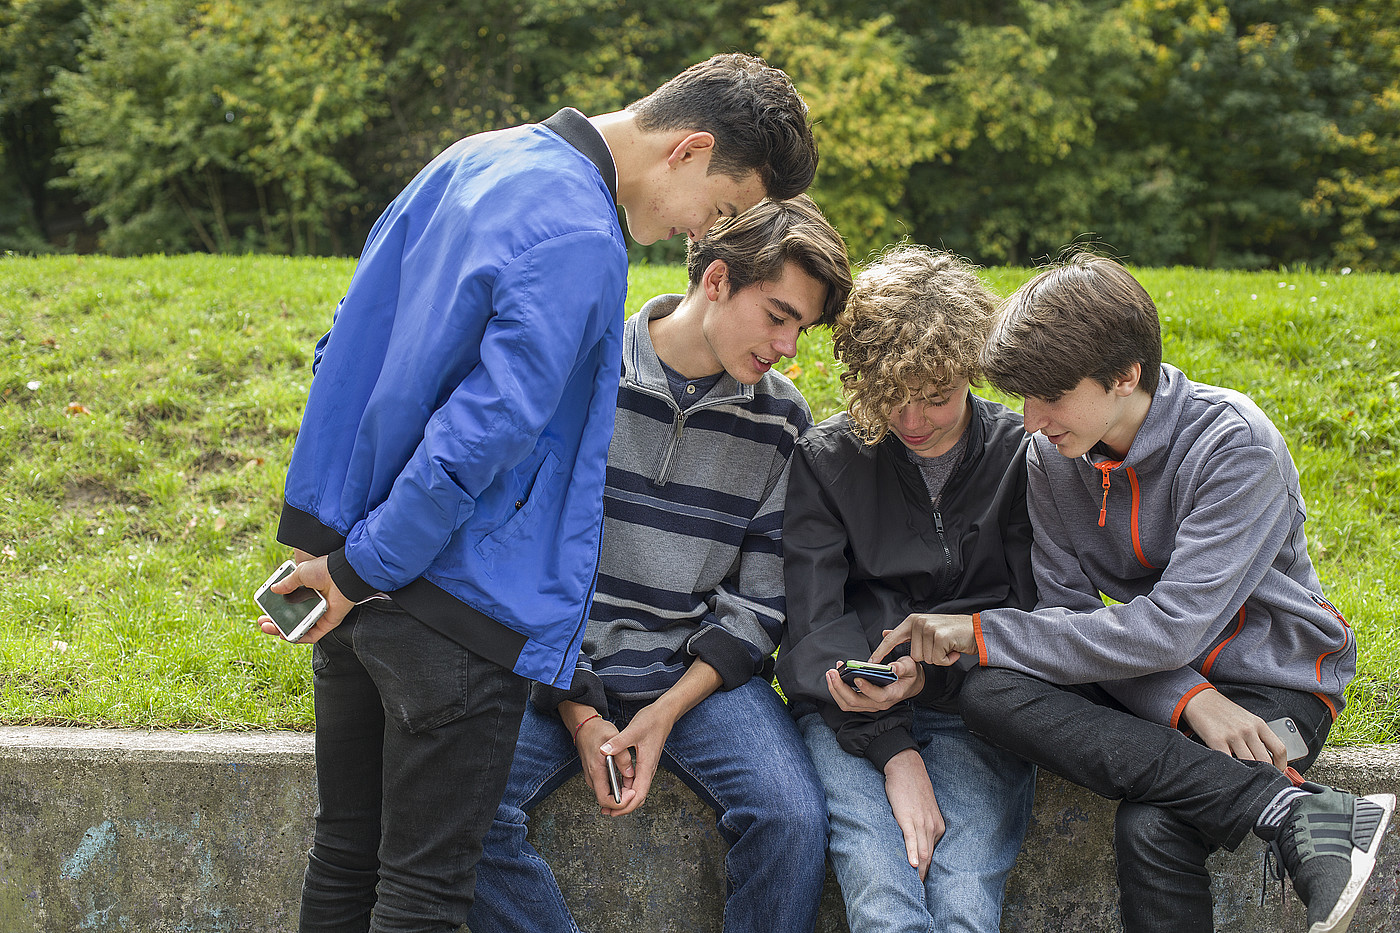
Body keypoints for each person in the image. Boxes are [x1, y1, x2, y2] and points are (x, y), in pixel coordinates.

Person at [258, 53, 821, 933]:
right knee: (422, 894)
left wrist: (324, 544)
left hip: (356, 568)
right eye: (719, 210)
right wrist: (362, 566)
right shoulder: (582, 234)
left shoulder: (474, 155)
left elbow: (347, 349)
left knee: (345, 855)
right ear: (689, 148)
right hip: (448, 598)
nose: (699, 233)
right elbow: (482, 432)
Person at [873, 253, 1394, 933]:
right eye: (1022, 397)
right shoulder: (1051, 458)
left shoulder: (1234, 445)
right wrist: (1187, 700)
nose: (1030, 421)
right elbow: (1067, 615)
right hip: (1156, 680)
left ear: (1126, 375)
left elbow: (1172, 626)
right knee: (987, 688)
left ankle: (1295, 808)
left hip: (1273, 684)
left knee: (1153, 827)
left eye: (1050, 397)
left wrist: (979, 628)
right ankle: (1295, 809)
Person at [461, 194, 852, 933]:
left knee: (793, 817)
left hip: (695, 681)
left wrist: (665, 712)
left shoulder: (784, 419)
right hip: (553, 667)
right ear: (716, 279)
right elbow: (521, 562)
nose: (789, 345)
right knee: (456, 809)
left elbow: (760, 602)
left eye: (801, 326)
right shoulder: (583, 375)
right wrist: (579, 708)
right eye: (778, 314)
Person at [774, 245, 1039, 933]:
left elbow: (1042, 614)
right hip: (844, 713)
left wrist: (929, 677)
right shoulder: (827, 461)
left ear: (973, 370)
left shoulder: (1022, 455)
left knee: (963, 897)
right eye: (889, 396)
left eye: (937, 396)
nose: (913, 420)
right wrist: (893, 748)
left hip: (978, 711)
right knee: (883, 894)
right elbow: (811, 625)